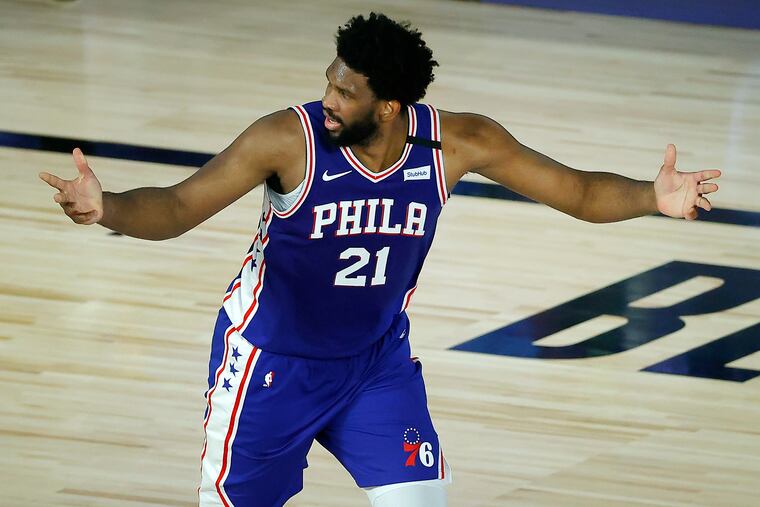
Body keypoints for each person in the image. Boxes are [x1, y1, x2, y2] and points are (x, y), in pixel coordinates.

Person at [38, 12, 720, 507]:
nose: (328, 101)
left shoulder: (456, 143)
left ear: (390, 107)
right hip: (270, 366)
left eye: (346, 94)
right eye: (328, 84)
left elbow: (577, 192)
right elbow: (180, 206)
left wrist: (651, 196)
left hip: (374, 365)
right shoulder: (288, 139)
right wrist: (108, 207)